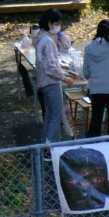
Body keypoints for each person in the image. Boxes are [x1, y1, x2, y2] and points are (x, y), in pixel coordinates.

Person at [36, 9, 74, 146]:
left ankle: (45, 146)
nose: (59, 26)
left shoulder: (41, 37)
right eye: (57, 23)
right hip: (51, 82)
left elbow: (66, 45)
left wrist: (59, 33)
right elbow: (51, 67)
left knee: (49, 117)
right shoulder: (48, 42)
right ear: (50, 23)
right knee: (55, 118)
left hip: (43, 82)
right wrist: (64, 78)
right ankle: (51, 148)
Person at [83, 19, 109, 138]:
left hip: (96, 88)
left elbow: (86, 73)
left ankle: (92, 147)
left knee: (95, 120)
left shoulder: (88, 48)